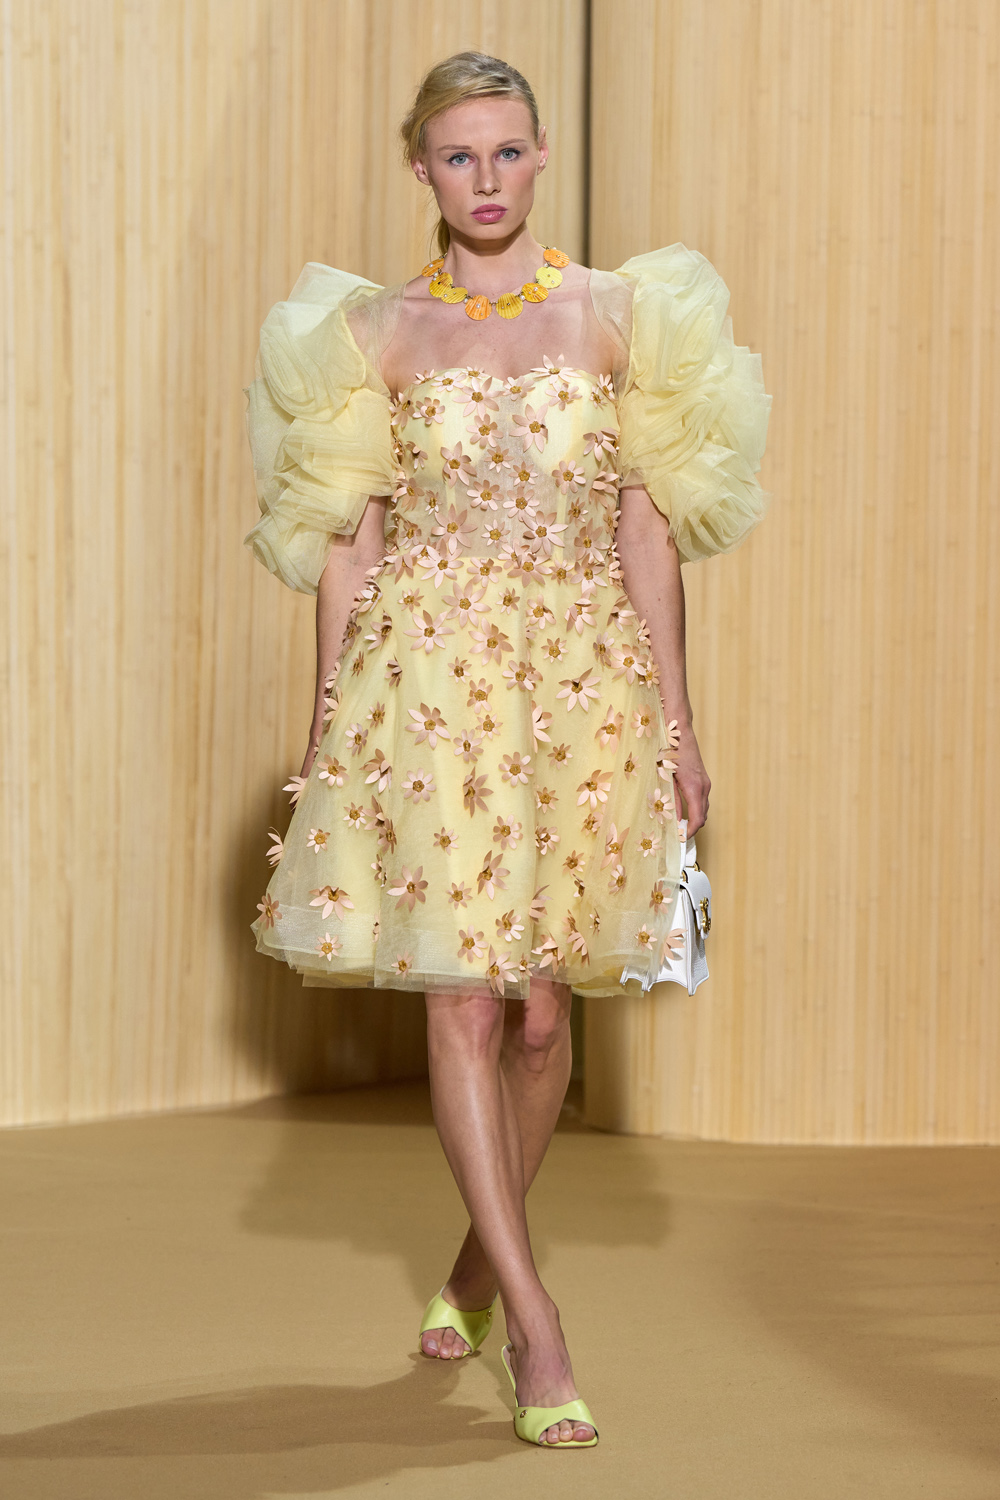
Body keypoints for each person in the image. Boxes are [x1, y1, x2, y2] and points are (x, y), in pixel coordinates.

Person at [243, 51, 770, 1449]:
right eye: (458, 156)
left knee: (543, 1014)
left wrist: (679, 720)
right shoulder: (374, 332)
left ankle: (481, 1262)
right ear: (420, 167)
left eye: (508, 151)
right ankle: (538, 1329)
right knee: (466, 1002)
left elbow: (649, 533)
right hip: (427, 683)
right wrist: (329, 719)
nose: (486, 179)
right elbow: (347, 545)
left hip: (585, 678)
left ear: (541, 155)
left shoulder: (619, 317)